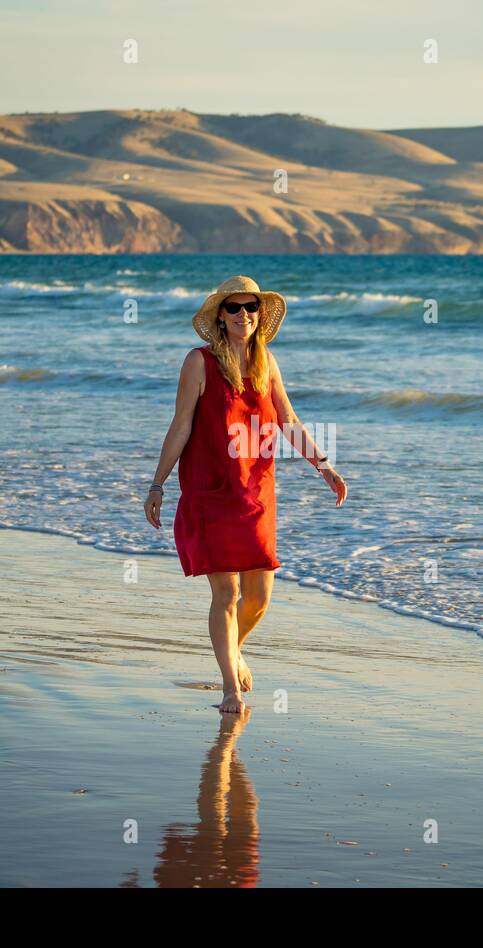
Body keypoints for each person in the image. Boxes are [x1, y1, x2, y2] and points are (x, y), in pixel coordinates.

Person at [144, 275, 347, 713]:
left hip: (256, 490)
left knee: (260, 596)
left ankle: (234, 650)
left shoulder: (266, 363)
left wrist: (323, 465)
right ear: (220, 315)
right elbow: (180, 427)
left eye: (251, 307)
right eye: (234, 308)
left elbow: (288, 419)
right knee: (226, 594)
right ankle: (229, 689)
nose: (244, 315)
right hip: (212, 491)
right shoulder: (198, 363)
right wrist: (157, 485)